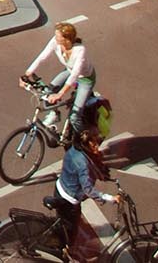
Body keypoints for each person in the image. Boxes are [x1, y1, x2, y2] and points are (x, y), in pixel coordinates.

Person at [52, 126, 119, 257]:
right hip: (69, 198)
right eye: (93, 142)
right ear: (85, 144)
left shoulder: (75, 149)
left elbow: (94, 169)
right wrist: (109, 198)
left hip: (61, 187)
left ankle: (61, 242)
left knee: (64, 223)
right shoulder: (82, 163)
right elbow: (87, 189)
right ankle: (65, 252)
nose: (97, 145)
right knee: (72, 229)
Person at [23, 22, 95, 131]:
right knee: (47, 92)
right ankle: (54, 114)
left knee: (75, 117)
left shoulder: (80, 50)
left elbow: (76, 73)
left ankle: (85, 139)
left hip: (85, 78)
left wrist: (60, 94)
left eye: (58, 36)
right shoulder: (55, 42)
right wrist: (26, 74)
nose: (55, 37)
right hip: (69, 71)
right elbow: (42, 56)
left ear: (67, 39)